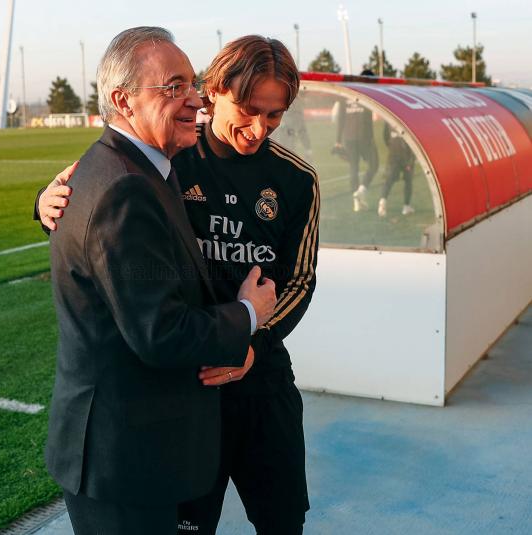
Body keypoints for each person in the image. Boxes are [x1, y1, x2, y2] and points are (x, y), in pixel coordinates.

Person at [38, 35, 320, 535]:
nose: (258, 129)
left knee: (282, 520)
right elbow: (94, 201)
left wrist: (252, 346)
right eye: (249, 110)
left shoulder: (296, 179)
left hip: (260, 375)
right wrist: (44, 204)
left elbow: (297, 281)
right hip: (188, 385)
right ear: (215, 92)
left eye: (274, 117)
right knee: (189, 523)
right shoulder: (170, 155)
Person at [333, 69, 379, 211]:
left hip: (349, 137)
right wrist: (371, 137)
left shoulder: (345, 93)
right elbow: (367, 119)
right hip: (364, 136)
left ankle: (356, 201)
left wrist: (338, 139)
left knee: (354, 167)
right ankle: (361, 191)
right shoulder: (365, 92)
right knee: (374, 164)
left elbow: (340, 118)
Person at [377, 122, 416, 217]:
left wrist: (391, 146)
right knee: (408, 180)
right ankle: (406, 207)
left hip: (393, 152)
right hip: (406, 154)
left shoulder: (390, 118)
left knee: (389, 180)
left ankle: (382, 201)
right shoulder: (408, 117)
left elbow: (385, 136)